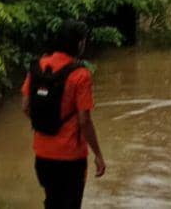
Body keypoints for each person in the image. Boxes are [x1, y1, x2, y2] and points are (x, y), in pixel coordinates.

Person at [22, 19, 106, 209]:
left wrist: (46, 121)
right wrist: (98, 155)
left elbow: (26, 106)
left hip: (42, 155)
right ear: (79, 43)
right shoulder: (80, 75)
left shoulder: (38, 67)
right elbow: (85, 121)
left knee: (52, 201)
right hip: (71, 159)